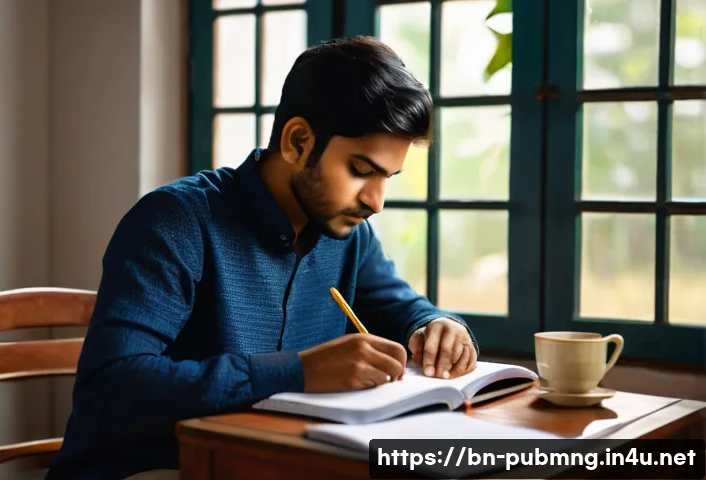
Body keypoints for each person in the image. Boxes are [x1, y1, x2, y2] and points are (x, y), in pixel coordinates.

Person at [45, 35, 478, 480]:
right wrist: (298, 371)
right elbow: (112, 389)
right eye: (361, 170)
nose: (376, 201)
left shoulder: (347, 232)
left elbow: (402, 307)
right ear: (298, 142)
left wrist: (436, 326)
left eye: (388, 177)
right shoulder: (176, 222)